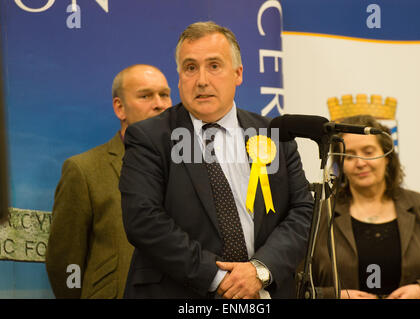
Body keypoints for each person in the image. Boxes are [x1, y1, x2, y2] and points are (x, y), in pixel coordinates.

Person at [119, 21, 313, 299]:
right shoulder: (149, 137)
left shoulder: (274, 135)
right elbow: (144, 220)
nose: (201, 80)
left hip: (263, 293)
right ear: (179, 77)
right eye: (190, 68)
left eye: (214, 66)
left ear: (238, 74)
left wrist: (260, 270)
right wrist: (220, 278)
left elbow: (302, 212)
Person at [46, 64, 173, 298]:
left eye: (164, 94)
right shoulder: (84, 170)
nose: (160, 104)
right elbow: (65, 262)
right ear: (120, 107)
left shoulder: (187, 168)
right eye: (145, 95)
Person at [306, 115, 420, 299]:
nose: (360, 163)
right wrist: (334, 296)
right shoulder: (320, 214)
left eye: (368, 152)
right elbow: (298, 287)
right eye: (349, 156)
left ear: (387, 157)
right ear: (340, 164)